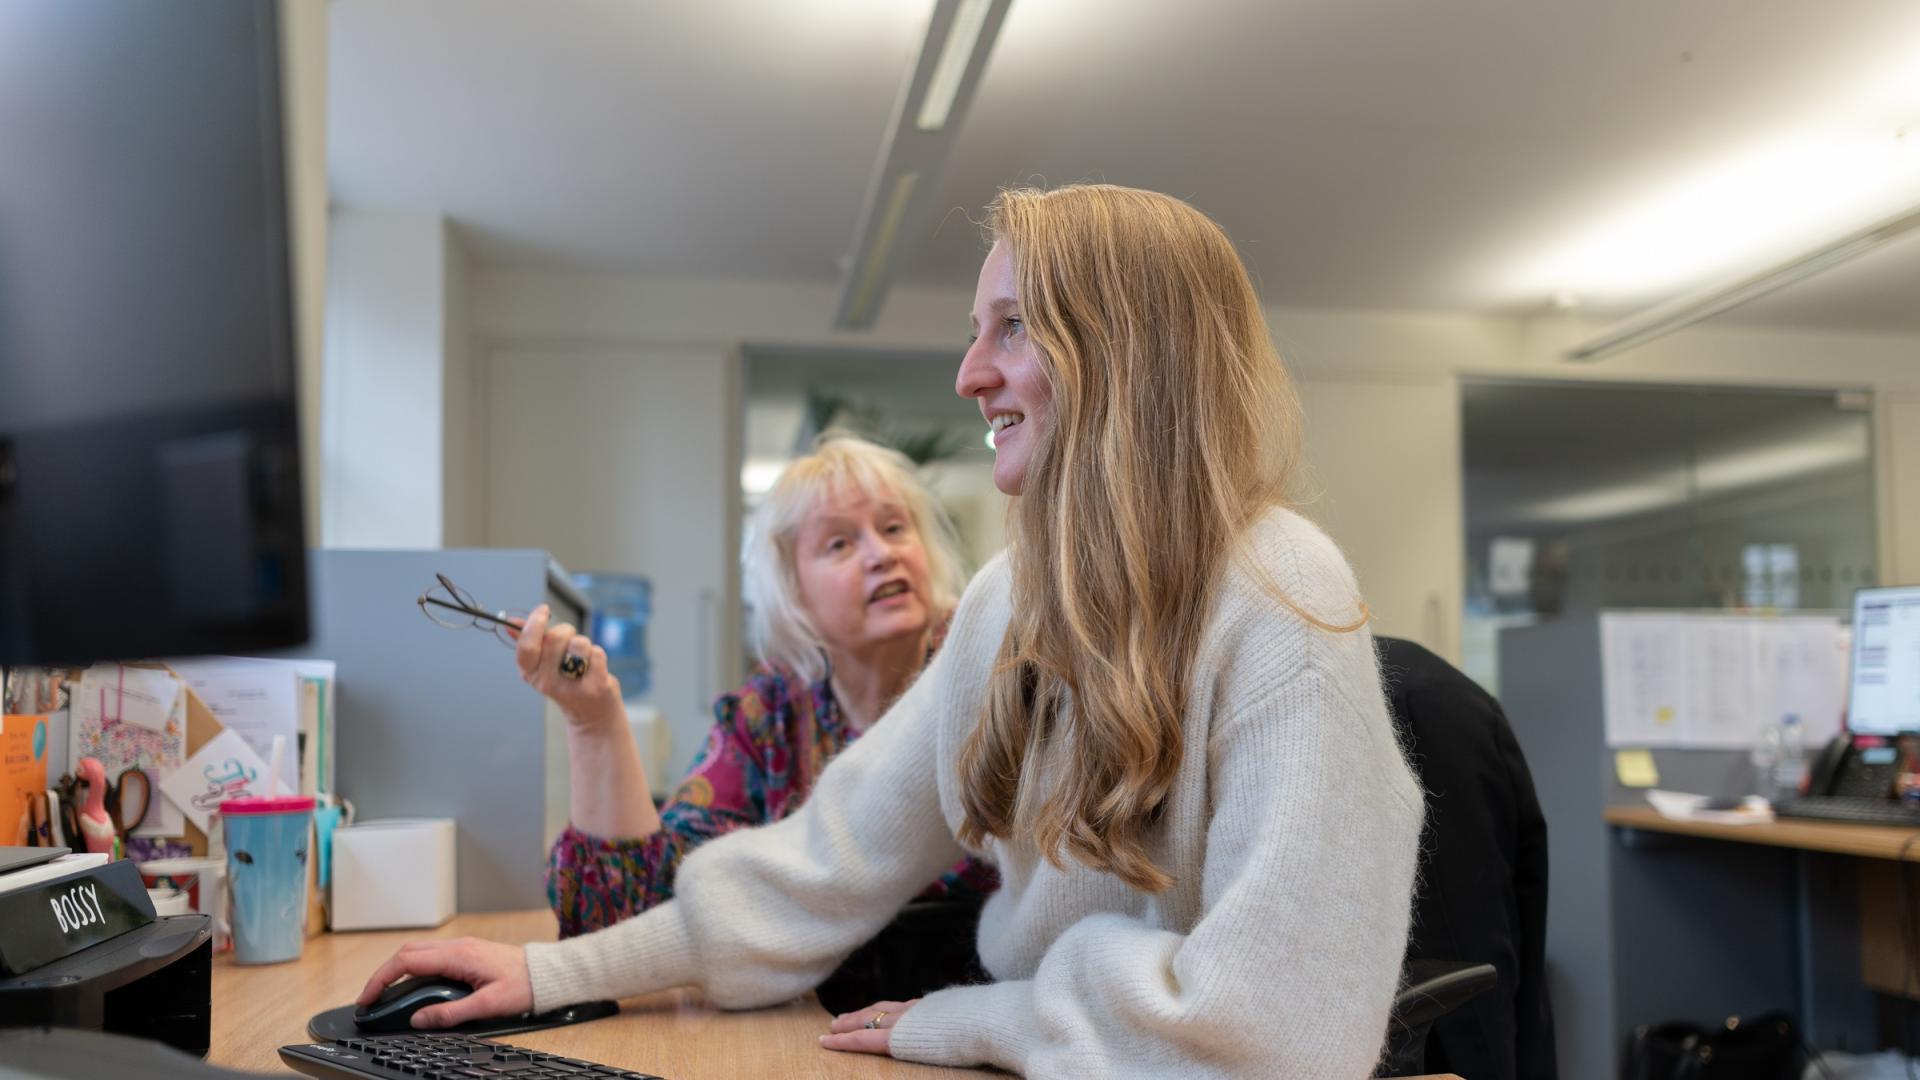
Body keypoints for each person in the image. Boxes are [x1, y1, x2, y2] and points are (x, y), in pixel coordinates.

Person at [360, 184, 1425, 1078]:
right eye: (977, 332)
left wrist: (978, 1016)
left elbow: (1276, 1039)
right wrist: (553, 977)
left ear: (1126, 352)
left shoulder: (1279, 593)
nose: (969, 375)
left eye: (1012, 326)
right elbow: (822, 864)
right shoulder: (1014, 602)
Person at [524, 433, 993, 937]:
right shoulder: (768, 716)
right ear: (794, 593)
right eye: (839, 543)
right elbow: (638, 907)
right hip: (809, 1013)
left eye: (895, 527)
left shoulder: (993, 674)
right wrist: (595, 720)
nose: (881, 554)